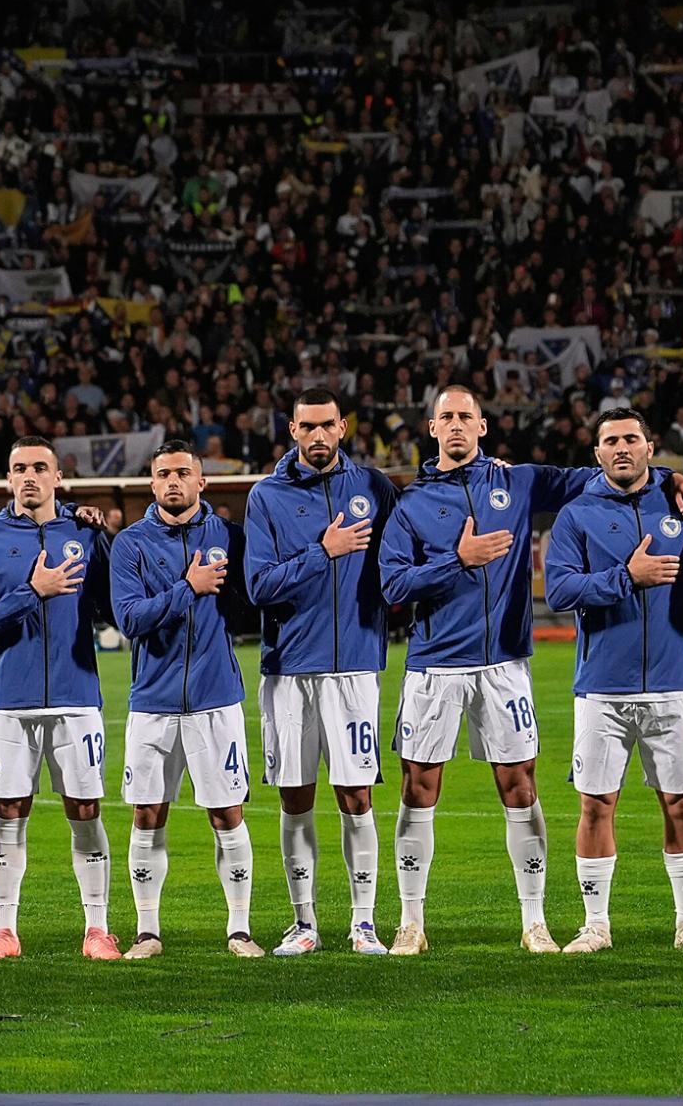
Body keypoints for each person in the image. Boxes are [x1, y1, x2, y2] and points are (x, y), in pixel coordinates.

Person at [376, 386, 683, 955]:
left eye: (465, 417)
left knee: (519, 786)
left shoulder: (517, 481)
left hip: (504, 664)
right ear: (432, 428)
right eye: (446, 417)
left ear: (483, 425)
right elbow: (393, 585)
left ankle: (535, 921)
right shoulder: (410, 504)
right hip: (434, 665)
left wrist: (670, 473)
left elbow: (608, 469)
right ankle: (411, 922)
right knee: (418, 787)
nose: (456, 426)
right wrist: (458, 561)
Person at [543, 409, 683, 955]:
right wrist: (627, 577)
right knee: (596, 806)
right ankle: (595, 924)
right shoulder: (576, 516)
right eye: (610, 441)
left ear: (651, 446)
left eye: (631, 439)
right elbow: (559, 592)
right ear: (596, 453)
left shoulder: (682, 505)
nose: (621, 448)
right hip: (601, 687)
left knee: (682, 807)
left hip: (673, 684)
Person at [243, 387, 394, 957]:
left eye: (327, 425)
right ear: (291, 430)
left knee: (357, 797)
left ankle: (363, 922)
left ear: (343, 427)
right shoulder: (267, 497)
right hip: (288, 669)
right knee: (295, 798)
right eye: (307, 427)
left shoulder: (374, 487)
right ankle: (303, 922)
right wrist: (323, 552)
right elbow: (258, 586)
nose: (318, 436)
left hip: (354, 667)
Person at [0, 436, 121, 961]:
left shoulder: (85, 533)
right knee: (10, 811)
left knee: (85, 808)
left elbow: (117, 609)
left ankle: (98, 929)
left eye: (39, 467)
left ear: (57, 477)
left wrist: (109, 536)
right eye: (18, 469)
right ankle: (3, 931)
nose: (29, 476)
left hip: (76, 695)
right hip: (10, 699)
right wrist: (34, 591)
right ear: (8, 479)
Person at [110, 440, 264, 958]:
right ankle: (147, 932)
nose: (173, 482)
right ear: (152, 484)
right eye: (162, 474)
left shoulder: (231, 536)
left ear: (202, 482)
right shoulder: (129, 545)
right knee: (148, 814)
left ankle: (239, 929)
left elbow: (254, 597)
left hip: (215, 699)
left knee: (227, 813)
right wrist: (189, 587)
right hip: (152, 701)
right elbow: (129, 619)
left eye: (182, 473)